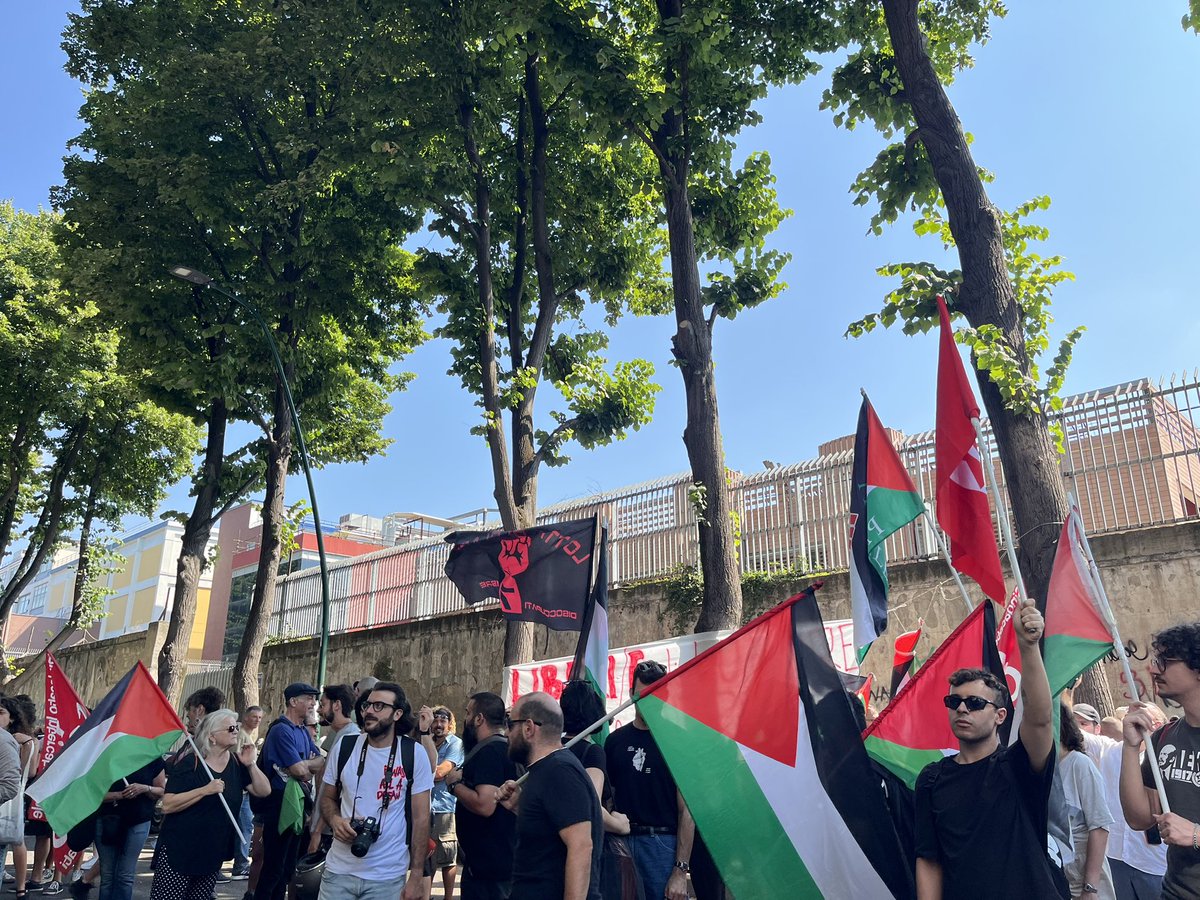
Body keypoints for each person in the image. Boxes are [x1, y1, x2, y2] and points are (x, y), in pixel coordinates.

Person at [913, 598, 1062, 899]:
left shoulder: (1018, 766)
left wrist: (1028, 647)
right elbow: (929, 860)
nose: (963, 709)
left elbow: (1040, 720)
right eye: (954, 702)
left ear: (1000, 716)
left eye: (976, 703)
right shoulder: (931, 779)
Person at [316, 681, 432, 900]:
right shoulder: (345, 747)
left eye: (379, 706)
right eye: (368, 705)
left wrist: (416, 876)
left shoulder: (413, 753)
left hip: (387, 877)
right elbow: (327, 798)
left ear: (397, 714)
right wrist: (335, 820)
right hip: (339, 872)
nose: (369, 711)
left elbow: (421, 818)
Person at [151, 709, 270, 900]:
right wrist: (204, 790)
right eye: (231, 728)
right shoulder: (192, 763)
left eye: (237, 728)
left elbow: (264, 791)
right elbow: (167, 804)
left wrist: (251, 764)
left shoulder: (235, 763)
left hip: (213, 851)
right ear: (212, 737)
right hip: (180, 851)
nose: (236, 732)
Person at [1119, 622, 1200, 899]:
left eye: (1165, 661)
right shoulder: (1165, 737)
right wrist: (1130, 747)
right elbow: (1140, 818)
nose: (1153, 669)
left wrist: (1196, 836)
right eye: (1156, 661)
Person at [495, 692, 602, 900]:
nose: (506, 733)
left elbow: (581, 846)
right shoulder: (547, 769)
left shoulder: (559, 771)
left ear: (528, 728)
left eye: (510, 724)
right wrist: (520, 806)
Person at [605, 661, 693, 900]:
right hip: (621, 841)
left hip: (662, 845)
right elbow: (607, 799)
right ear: (631, 693)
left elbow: (688, 811)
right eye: (641, 693)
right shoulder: (614, 742)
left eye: (654, 693)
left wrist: (680, 869)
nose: (646, 700)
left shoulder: (677, 741)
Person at [560, 681, 642, 900]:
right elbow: (591, 806)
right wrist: (620, 825)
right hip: (586, 852)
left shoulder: (553, 750)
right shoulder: (592, 753)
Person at [444, 692, 518, 900]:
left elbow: (485, 804)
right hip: (490, 866)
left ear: (479, 719)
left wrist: (454, 784)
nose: (465, 718)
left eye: (468, 713)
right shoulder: (503, 748)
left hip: (491, 874)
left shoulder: (491, 751)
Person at [256, 683, 324, 900]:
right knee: (273, 867)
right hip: (279, 805)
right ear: (293, 702)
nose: (314, 703)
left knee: (286, 868)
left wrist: (303, 767)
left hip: (297, 802)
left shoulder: (303, 730)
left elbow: (320, 760)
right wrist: (304, 767)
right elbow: (300, 770)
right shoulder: (280, 730)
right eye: (309, 698)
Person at [1098, 707, 1167, 900]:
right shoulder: (1112, 752)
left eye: (1143, 716)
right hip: (1118, 858)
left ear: (1158, 725)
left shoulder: (1167, 759)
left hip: (1156, 865)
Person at [1058, 701, 1116, 898]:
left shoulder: (1079, 764)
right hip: (1056, 873)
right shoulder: (1041, 768)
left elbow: (1099, 828)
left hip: (1083, 875)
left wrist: (1090, 888)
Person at [95, 755, 167, 900]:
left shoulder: (152, 756)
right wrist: (119, 795)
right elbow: (93, 793)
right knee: (107, 875)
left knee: (125, 875)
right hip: (107, 819)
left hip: (138, 820)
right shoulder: (106, 755)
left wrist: (144, 788)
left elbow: (161, 790)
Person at [307, 685, 360, 855]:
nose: (320, 711)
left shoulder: (349, 737)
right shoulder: (341, 734)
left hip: (328, 831)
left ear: (336, 705)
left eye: (322, 705)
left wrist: (318, 831)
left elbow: (337, 789)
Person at [421, 705, 464, 900]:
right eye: (435, 720)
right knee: (425, 857)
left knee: (447, 857)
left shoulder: (455, 744)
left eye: (443, 721)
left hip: (443, 808)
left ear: (450, 724)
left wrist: (422, 774)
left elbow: (440, 772)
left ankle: (448, 897)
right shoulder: (424, 740)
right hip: (422, 808)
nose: (438, 725)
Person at [2, 697, 42, 898]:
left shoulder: (21, 739)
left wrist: (25, 747)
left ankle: (20, 887)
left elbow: (29, 771)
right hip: (14, 791)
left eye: (1, 713)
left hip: (12, 793)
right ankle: (19, 886)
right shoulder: (21, 738)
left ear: (11, 718)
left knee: (15, 839)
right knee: (12, 841)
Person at [232, 706, 264, 880]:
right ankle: (241, 864)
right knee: (245, 827)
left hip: (244, 789)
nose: (257, 720)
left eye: (260, 717)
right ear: (245, 717)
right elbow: (238, 760)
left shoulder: (248, 736)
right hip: (242, 789)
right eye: (254, 716)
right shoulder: (241, 737)